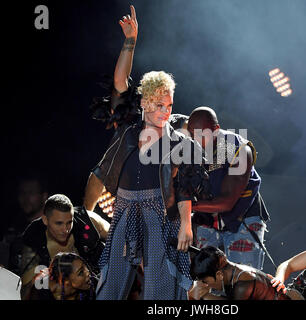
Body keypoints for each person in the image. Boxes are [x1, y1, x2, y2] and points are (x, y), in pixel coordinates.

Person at [85, 6, 206, 300]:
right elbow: (119, 82)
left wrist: (186, 224)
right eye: (158, 104)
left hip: (160, 213)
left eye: (169, 105)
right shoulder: (129, 129)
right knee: (110, 286)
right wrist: (130, 42)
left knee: (159, 290)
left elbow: (186, 186)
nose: (164, 111)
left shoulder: (180, 143)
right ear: (143, 102)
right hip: (125, 209)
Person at [187, 106, 270, 271]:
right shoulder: (192, 150)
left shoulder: (238, 149)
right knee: (206, 282)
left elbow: (226, 202)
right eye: (192, 134)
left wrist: (184, 204)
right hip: (208, 222)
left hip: (242, 221)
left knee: (241, 280)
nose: (196, 139)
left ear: (216, 130)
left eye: (202, 134)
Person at [19, 194, 109, 299]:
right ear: (45, 220)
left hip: (106, 280)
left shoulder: (87, 221)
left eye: (69, 222)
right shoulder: (34, 242)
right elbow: (26, 293)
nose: (65, 229)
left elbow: (118, 239)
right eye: (59, 223)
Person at [190, 246, 293, 300]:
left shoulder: (243, 285)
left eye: (206, 281)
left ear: (219, 275)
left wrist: (204, 296)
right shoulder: (235, 270)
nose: (206, 285)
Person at [28, 252, 98, 300]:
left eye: (85, 266)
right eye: (81, 272)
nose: (88, 272)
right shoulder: (43, 293)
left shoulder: (93, 283)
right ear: (66, 281)